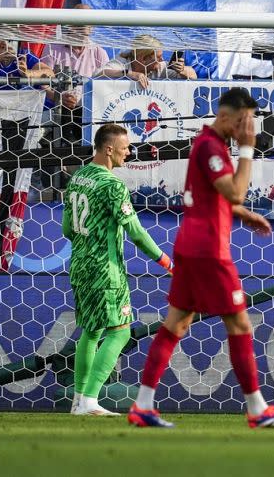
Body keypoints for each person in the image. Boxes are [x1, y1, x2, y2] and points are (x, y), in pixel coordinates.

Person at [127, 88, 274, 429]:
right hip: (208, 250)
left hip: (191, 244)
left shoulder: (209, 145)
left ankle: (143, 405)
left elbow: (214, 197)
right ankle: (257, 410)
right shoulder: (210, 147)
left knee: (176, 324)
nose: (246, 128)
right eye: (242, 122)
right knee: (239, 324)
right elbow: (234, 189)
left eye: (249, 123)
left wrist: (240, 212)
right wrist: (249, 150)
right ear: (224, 117)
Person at [62, 123, 173, 416]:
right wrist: (166, 261)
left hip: (79, 265)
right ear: (109, 149)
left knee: (91, 330)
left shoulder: (79, 177)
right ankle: (89, 401)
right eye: (125, 148)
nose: (129, 152)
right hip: (105, 270)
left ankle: (79, 401)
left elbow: (65, 229)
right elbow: (135, 231)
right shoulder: (113, 186)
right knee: (121, 332)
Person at [95, 34, 197, 87]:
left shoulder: (159, 67)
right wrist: (130, 74)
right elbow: (99, 73)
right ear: (143, 59)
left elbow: (193, 76)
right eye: (158, 57)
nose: (162, 59)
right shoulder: (123, 61)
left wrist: (182, 70)